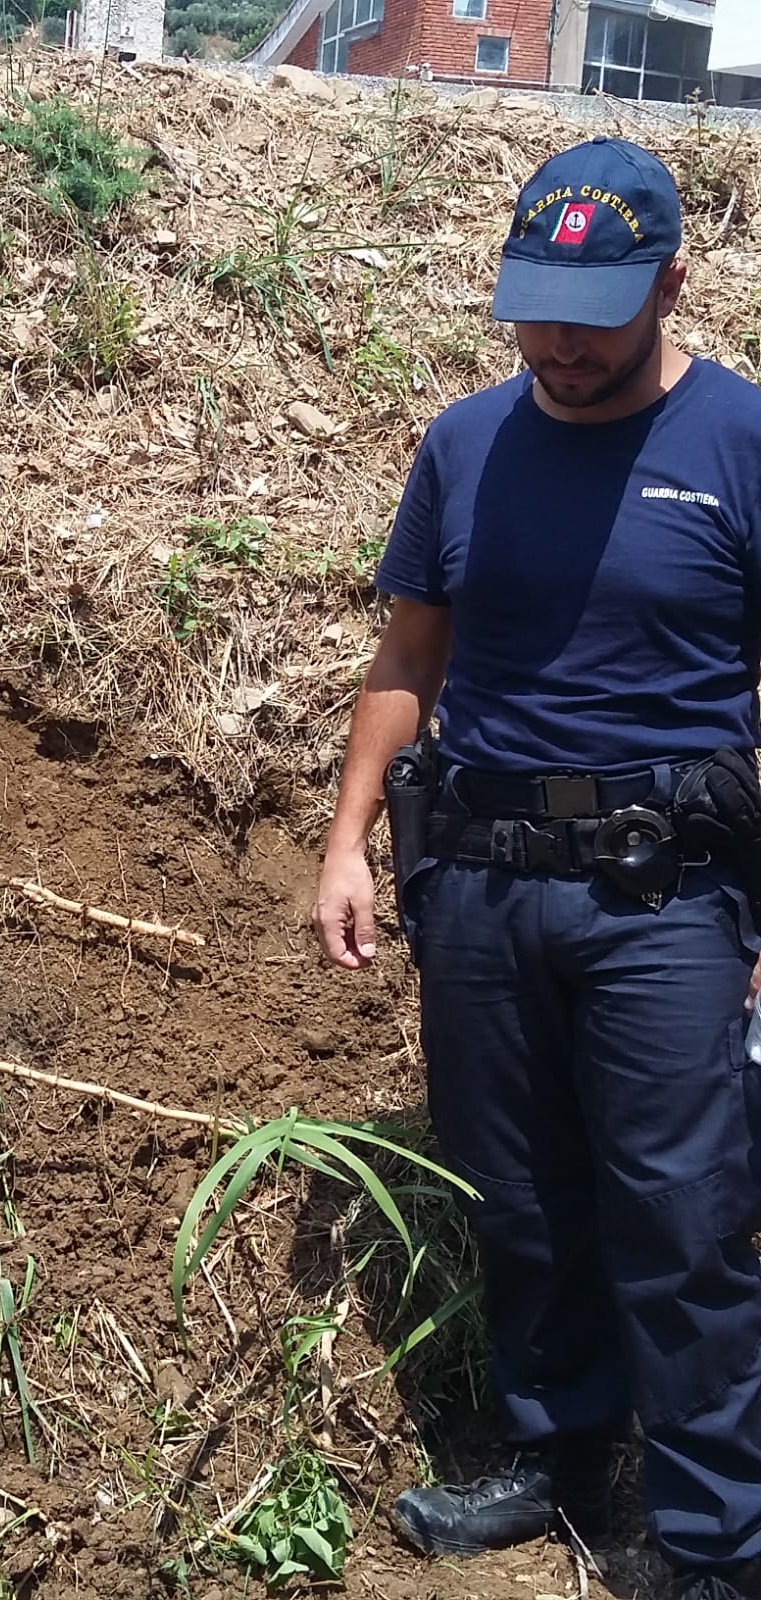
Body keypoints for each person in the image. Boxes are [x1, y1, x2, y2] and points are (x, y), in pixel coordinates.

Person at [313, 136, 761, 1600]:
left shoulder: (740, 444)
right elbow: (408, 655)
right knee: (520, 1196)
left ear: (672, 284)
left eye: (595, 312)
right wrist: (348, 842)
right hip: (487, 889)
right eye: (534, 309)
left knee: (684, 1218)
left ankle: (709, 1541)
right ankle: (556, 1459)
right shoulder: (463, 444)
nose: (559, 344)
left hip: (668, 899)